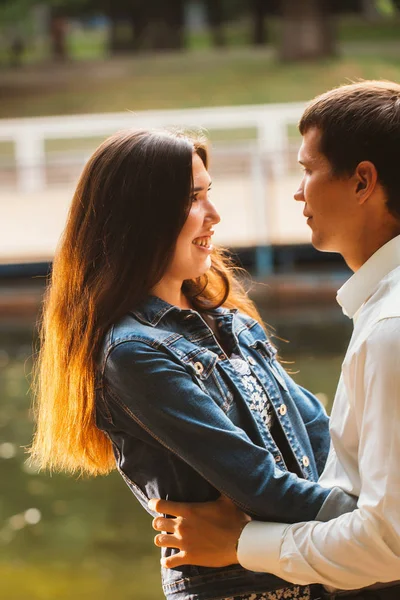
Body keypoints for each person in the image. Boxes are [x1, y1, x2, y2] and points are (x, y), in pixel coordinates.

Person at [29, 128, 356, 600]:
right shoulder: (133, 353)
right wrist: (371, 521)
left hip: (315, 567)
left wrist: (373, 520)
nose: (214, 214)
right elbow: (260, 486)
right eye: (193, 198)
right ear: (140, 219)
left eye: (209, 193)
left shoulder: (231, 322)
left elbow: (324, 437)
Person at [150, 81, 400, 599]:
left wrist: (242, 544)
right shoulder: (378, 312)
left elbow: (387, 544)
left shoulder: (390, 330)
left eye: (308, 170)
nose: (298, 191)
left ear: (362, 183)